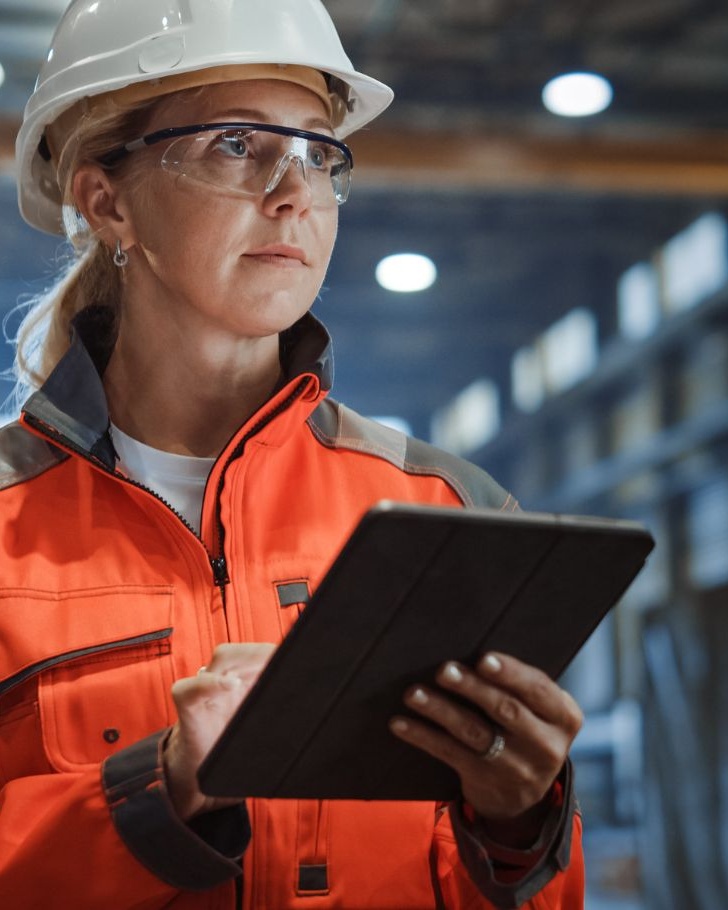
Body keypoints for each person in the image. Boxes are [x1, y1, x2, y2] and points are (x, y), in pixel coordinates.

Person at [0, 1, 585, 907]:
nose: (293, 192)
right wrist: (159, 793)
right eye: (236, 144)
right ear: (106, 200)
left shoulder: (447, 510)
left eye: (318, 152)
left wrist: (517, 827)